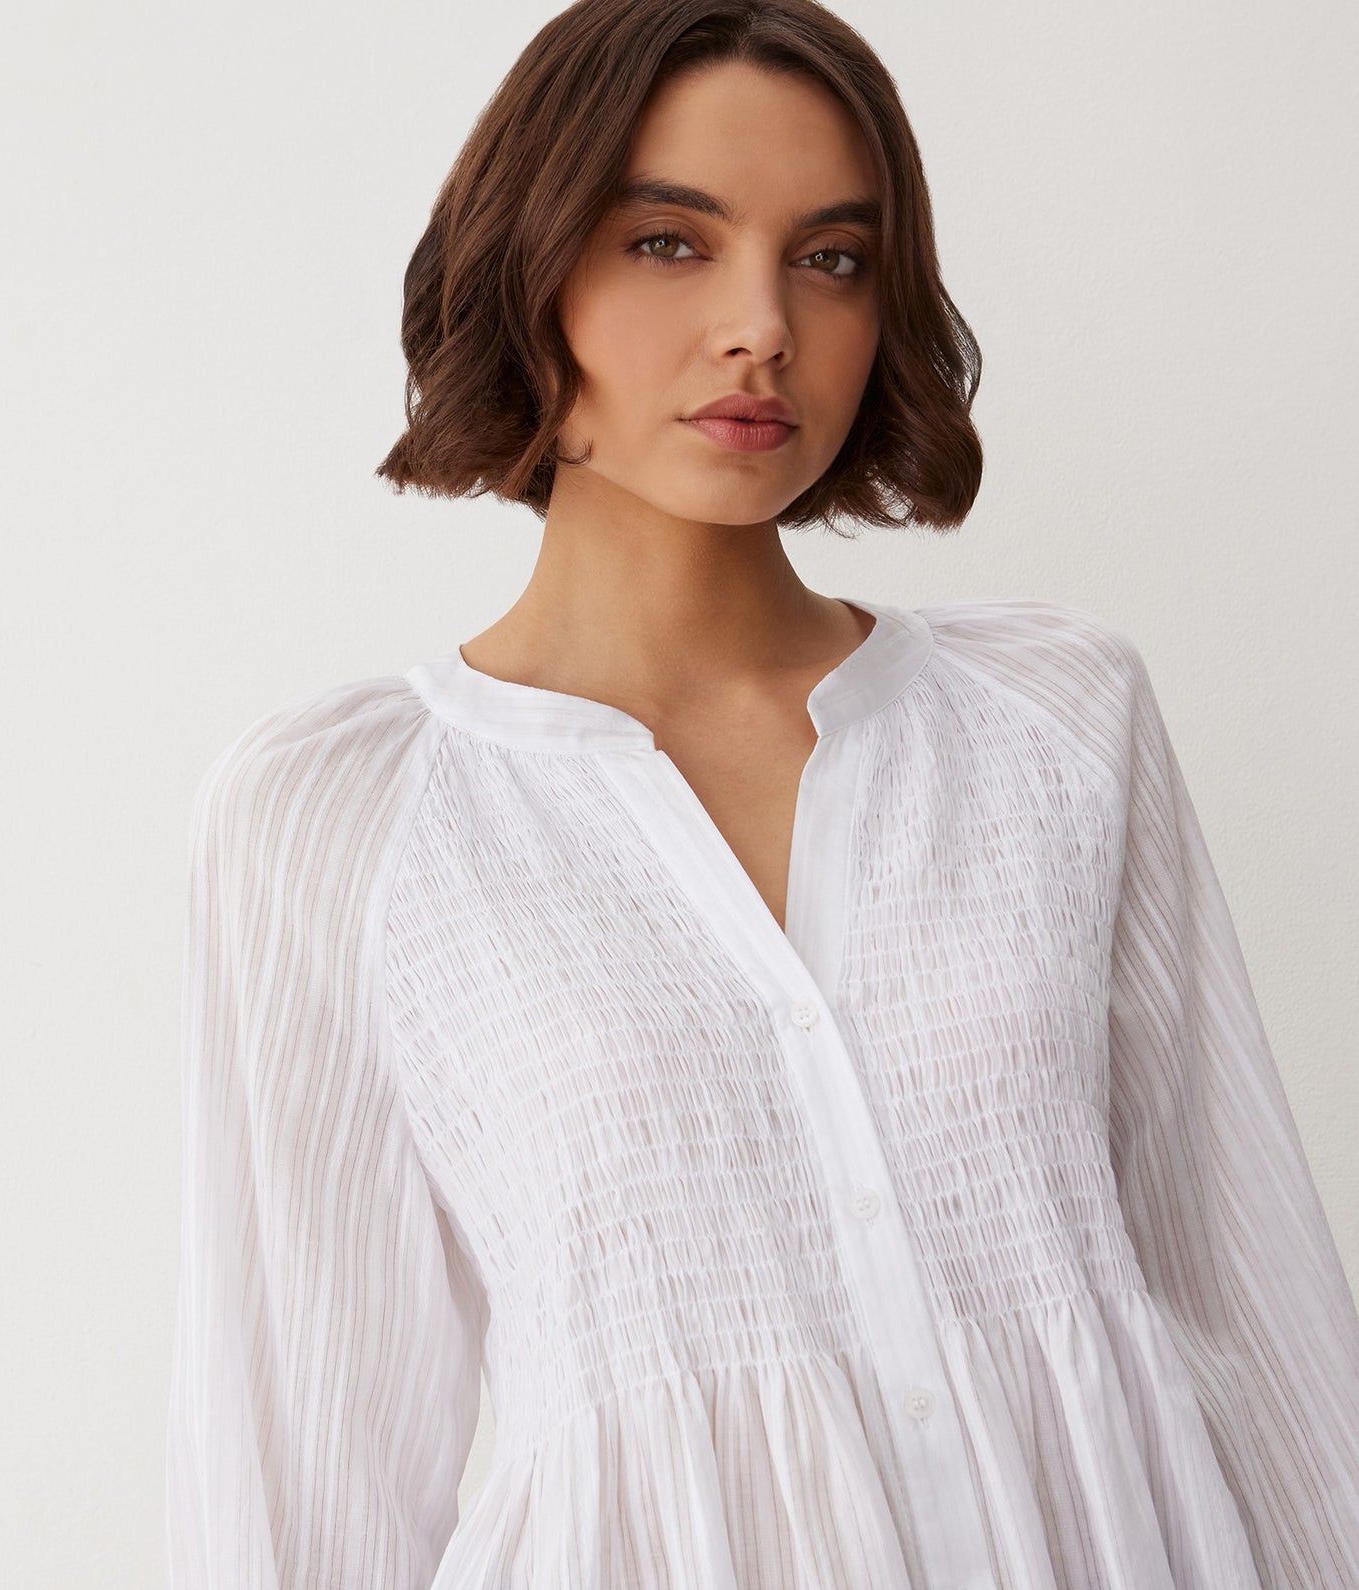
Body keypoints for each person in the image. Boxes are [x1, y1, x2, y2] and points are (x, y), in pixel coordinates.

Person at [164, 1, 1359, 1586]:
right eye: (668, 242)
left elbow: (1257, 1326)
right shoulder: (341, 814)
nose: (762, 326)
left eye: (832, 258)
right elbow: (299, 1482)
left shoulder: (1053, 723)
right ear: (527, 267)